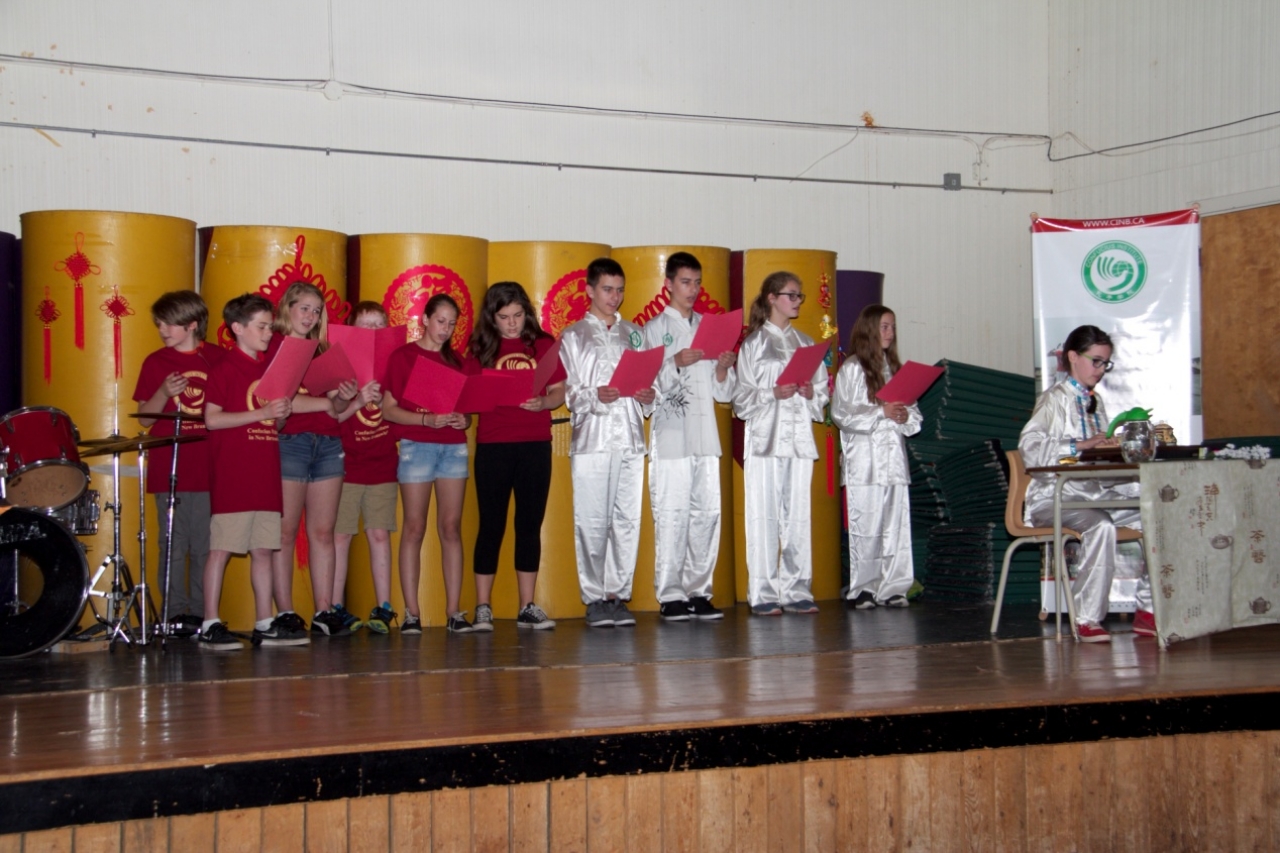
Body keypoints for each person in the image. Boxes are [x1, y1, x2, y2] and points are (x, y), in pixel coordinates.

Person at [1018, 324, 1154, 643]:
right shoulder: (1054, 399)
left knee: (1154, 515)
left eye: (1106, 363)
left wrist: (1116, 451)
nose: (1101, 369)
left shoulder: (1096, 403)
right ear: (1072, 357)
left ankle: (1148, 610)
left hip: (1091, 494)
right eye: (1096, 361)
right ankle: (1087, 617)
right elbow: (1030, 448)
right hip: (1053, 498)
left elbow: (1096, 466)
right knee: (1101, 524)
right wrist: (1080, 445)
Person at [270, 282, 371, 639]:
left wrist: (343, 397)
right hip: (290, 442)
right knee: (284, 533)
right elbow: (278, 402)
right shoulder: (274, 347)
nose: (311, 316)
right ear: (287, 308)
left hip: (328, 442)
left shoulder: (323, 350)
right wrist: (328, 403)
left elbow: (337, 409)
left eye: (316, 311)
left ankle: (324, 610)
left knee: (324, 532)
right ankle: (285, 611)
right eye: (305, 308)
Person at [197, 293, 298, 650]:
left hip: (264, 472)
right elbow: (212, 419)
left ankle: (264, 621)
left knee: (263, 550)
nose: (269, 333)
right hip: (235, 474)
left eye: (270, 327)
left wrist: (280, 414)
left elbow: (273, 424)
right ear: (238, 328)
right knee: (222, 548)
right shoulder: (224, 368)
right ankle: (209, 622)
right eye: (262, 327)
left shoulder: (269, 370)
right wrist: (262, 413)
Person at [560, 257, 656, 628]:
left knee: (627, 519)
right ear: (589, 290)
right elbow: (569, 394)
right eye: (607, 289)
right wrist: (595, 394)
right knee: (591, 520)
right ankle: (595, 597)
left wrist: (648, 395)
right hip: (593, 440)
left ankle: (617, 594)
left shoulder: (635, 333)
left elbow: (651, 384)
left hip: (630, 437)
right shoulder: (574, 336)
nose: (614, 297)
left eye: (619, 290)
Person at [642, 252, 736, 621]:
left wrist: (724, 369)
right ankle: (670, 594)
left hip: (705, 433)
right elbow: (645, 385)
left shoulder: (710, 327)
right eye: (685, 282)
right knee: (672, 514)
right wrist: (674, 363)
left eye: (697, 283)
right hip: (671, 435)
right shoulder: (652, 330)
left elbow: (723, 392)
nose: (692, 290)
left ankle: (699, 591)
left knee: (706, 514)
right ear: (668, 284)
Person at [467, 282, 566, 631]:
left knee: (529, 524)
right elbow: (466, 395)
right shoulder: (480, 347)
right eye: (504, 317)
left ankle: (527, 605)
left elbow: (559, 391)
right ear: (491, 318)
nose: (512, 324)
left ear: (527, 313)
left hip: (534, 443)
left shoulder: (543, 343)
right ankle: (483, 607)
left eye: (518, 315)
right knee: (490, 525)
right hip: (494, 444)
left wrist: (544, 402)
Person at [732, 271, 830, 615]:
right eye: (791, 294)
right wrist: (771, 392)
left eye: (800, 295)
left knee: (798, 517)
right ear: (772, 298)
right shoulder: (754, 344)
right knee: (763, 516)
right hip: (765, 439)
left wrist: (810, 392)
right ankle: (763, 592)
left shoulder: (806, 343)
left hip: (799, 439)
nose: (797, 301)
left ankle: (797, 588)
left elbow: (822, 394)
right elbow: (740, 400)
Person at [381, 293, 479, 634]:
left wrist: (463, 420)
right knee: (414, 527)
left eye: (451, 324)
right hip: (417, 445)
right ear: (424, 320)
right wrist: (426, 420)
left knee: (451, 527)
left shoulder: (459, 361)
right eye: (440, 321)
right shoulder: (404, 357)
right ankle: (412, 612)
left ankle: (454, 611)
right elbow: (388, 409)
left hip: (452, 446)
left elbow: (469, 410)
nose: (445, 329)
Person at [132, 291, 223, 636]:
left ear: (192, 324)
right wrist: (164, 392)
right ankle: (172, 614)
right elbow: (144, 419)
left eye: (169, 323)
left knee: (205, 547)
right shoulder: (156, 362)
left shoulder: (218, 357)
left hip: (210, 468)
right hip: (170, 469)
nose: (162, 330)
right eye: (159, 323)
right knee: (172, 546)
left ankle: (200, 614)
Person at [832, 305, 921, 610]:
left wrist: (905, 416)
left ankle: (894, 586)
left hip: (893, 460)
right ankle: (864, 588)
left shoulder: (896, 370)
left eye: (893, 327)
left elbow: (914, 418)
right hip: (864, 462)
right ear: (869, 329)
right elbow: (841, 414)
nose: (890, 333)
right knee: (866, 526)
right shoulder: (852, 368)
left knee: (896, 526)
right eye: (884, 326)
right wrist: (881, 412)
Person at [332, 302, 398, 634]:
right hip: (345, 464)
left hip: (383, 462)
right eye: (365, 325)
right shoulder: (339, 367)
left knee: (379, 533)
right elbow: (332, 417)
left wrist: (385, 401)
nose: (372, 332)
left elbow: (402, 412)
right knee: (340, 535)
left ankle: (384, 606)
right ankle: (334, 606)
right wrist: (357, 398)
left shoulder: (394, 367)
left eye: (378, 325)